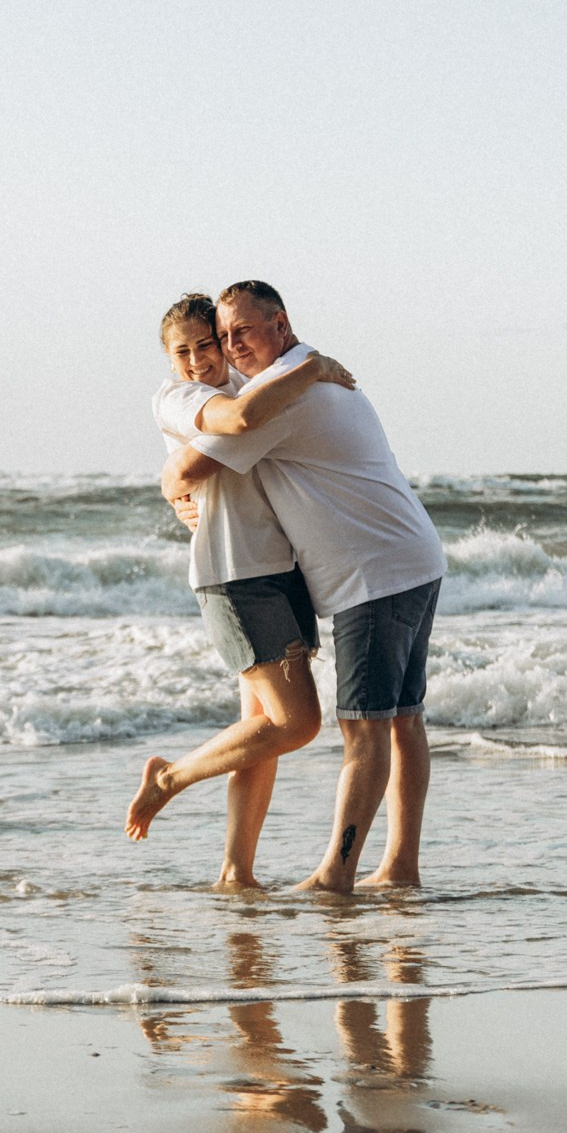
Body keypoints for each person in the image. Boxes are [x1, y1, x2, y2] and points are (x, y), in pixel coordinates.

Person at [161, 282, 446, 893]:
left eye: (242, 331)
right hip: (410, 556)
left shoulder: (284, 392)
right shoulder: (299, 374)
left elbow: (188, 466)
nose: (233, 347)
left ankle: (334, 878)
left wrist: (175, 489)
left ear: (280, 323)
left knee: (365, 727)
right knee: (403, 719)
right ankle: (400, 868)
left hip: (373, 574)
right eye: (225, 336)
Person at [124, 294, 358, 888]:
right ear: (168, 359)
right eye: (182, 351)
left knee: (261, 731)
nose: (197, 360)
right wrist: (313, 367)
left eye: (207, 344)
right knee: (297, 723)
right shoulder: (179, 397)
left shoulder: (250, 383)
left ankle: (236, 870)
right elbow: (239, 423)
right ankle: (170, 777)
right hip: (234, 574)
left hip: (281, 569)